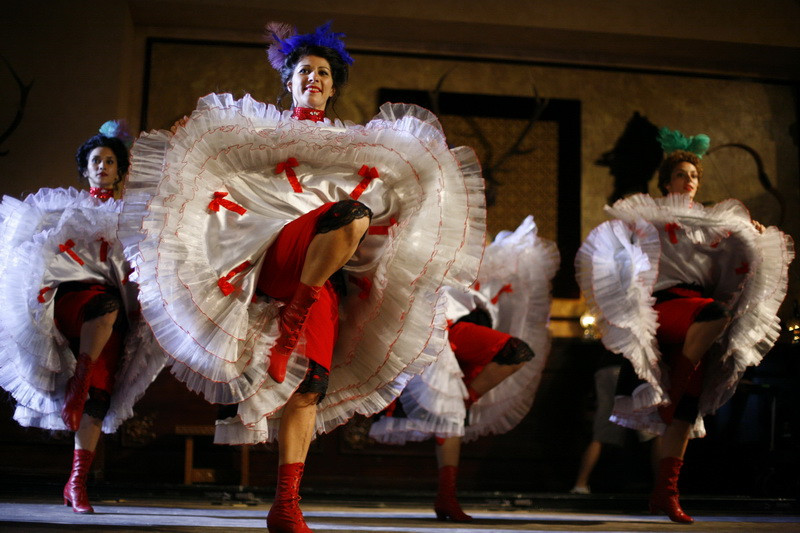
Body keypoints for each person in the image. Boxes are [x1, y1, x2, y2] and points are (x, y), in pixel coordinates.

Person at [120, 22, 485, 532]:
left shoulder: (355, 145)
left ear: (334, 86)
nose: (313, 78)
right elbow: (223, 180)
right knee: (349, 211)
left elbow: (389, 201)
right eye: (304, 72)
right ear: (288, 83)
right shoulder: (261, 136)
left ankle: (286, 505)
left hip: (325, 273)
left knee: (310, 384)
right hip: (275, 255)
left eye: (322, 73)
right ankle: (289, 319)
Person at [575, 127, 793, 523]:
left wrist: (755, 235)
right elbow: (619, 245)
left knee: (684, 413)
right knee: (714, 317)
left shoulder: (713, 224)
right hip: (668, 306)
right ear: (666, 180)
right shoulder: (651, 216)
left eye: (693, 175)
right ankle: (677, 382)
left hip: (701, 309)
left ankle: (666, 494)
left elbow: (738, 252)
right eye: (681, 175)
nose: (688, 180)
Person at [0, 122, 167, 514]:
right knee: (100, 308)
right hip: (71, 301)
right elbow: (29, 250)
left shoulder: (133, 215)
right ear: (85, 168)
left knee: (99, 398)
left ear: (120, 170)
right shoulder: (65, 208)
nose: (103, 167)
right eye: (96, 161)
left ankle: (77, 483)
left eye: (111, 161)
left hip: (115, 311)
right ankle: (79, 378)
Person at [369, 216, 559, 522]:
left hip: (461, 327)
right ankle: (447, 497)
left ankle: (464, 405)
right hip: (432, 329)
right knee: (450, 418)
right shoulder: (428, 238)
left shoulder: (483, 252)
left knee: (516, 353)